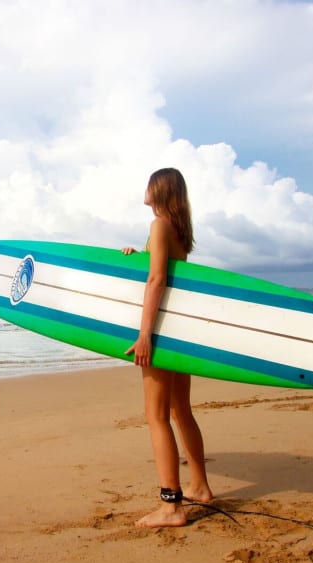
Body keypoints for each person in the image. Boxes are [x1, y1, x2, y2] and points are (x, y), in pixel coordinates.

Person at [122, 168, 214, 528]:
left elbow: (158, 279)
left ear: (158, 189)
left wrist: (145, 335)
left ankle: (171, 505)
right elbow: (161, 269)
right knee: (181, 412)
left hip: (159, 331)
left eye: (148, 183)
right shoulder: (176, 230)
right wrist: (136, 255)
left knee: (156, 416)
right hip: (179, 332)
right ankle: (200, 487)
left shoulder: (159, 225)